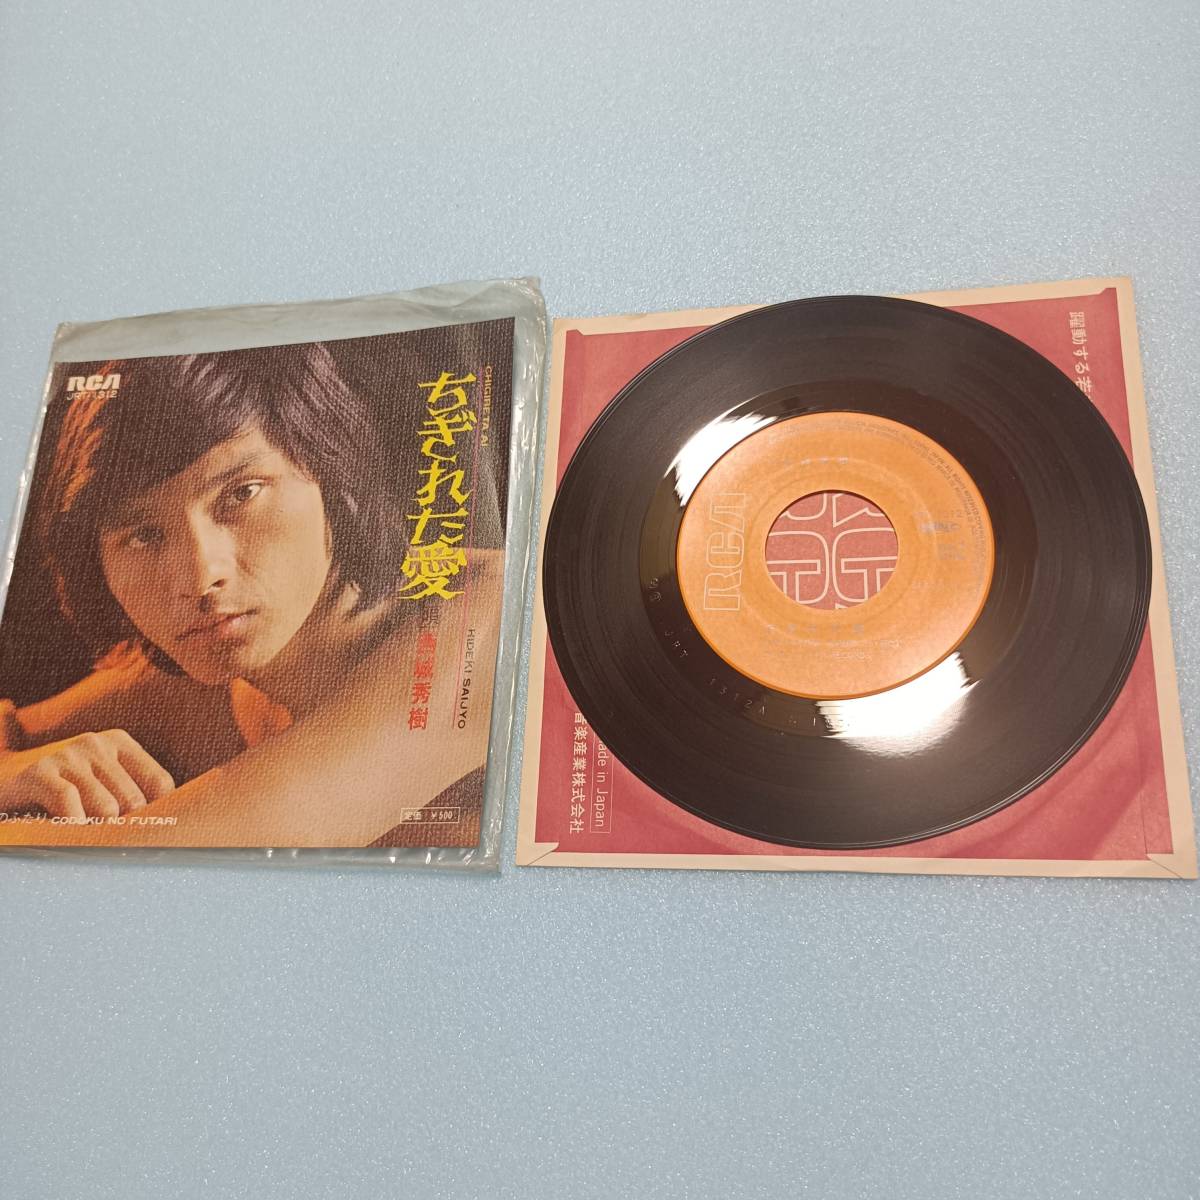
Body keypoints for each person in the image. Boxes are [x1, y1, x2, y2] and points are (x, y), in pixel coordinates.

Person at [0, 342, 502, 847]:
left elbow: (151, 855)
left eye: (242, 493)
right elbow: (12, 731)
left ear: (329, 465)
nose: (200, 578)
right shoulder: (217, 676)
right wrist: (14, 773)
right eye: (144, 535)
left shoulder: (482, 623)